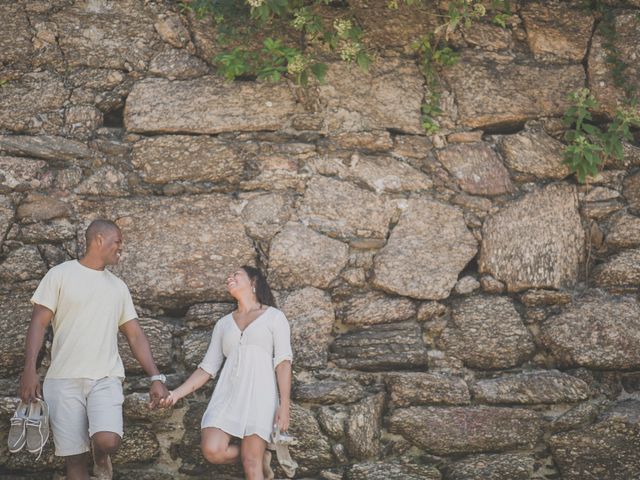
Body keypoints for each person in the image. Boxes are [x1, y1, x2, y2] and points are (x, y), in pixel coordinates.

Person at [19, 219, 170, 480]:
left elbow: (135, 335)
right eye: (118, 241)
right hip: (63, 380)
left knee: (108, 440)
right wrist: (29, 370)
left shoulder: (118, 287)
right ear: (99, 239)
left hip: (105, 377)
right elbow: (38, 323)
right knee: (75, 461)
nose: (120, 247)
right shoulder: (60, 275)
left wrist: (155, 377)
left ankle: (101, 457)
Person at [160, 265, 293, 480]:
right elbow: (207, 368)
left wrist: (284, 406)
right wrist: (175, 394)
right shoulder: (223, 324)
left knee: (251, 465)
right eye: (229, 275)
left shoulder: (274, 317)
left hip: (260, 396)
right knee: (212, 450)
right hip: (228, 396)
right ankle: (260, 455)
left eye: (236, 275)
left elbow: (283, 363)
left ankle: (256, 457)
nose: (230, 277)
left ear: (253, 282)